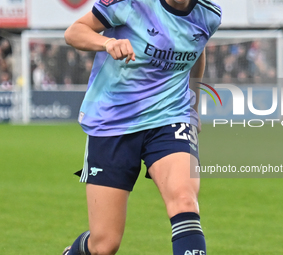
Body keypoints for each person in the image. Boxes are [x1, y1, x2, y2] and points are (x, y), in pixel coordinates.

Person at [62, 0, 221, 254]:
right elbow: (73, 32)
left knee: (184, 200)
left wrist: (193, 106)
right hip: (113, 121)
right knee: (105, 245)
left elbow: (197, 50)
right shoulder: (130, 3)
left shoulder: (209, 13)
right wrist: (108, 43)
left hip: (170, 117)